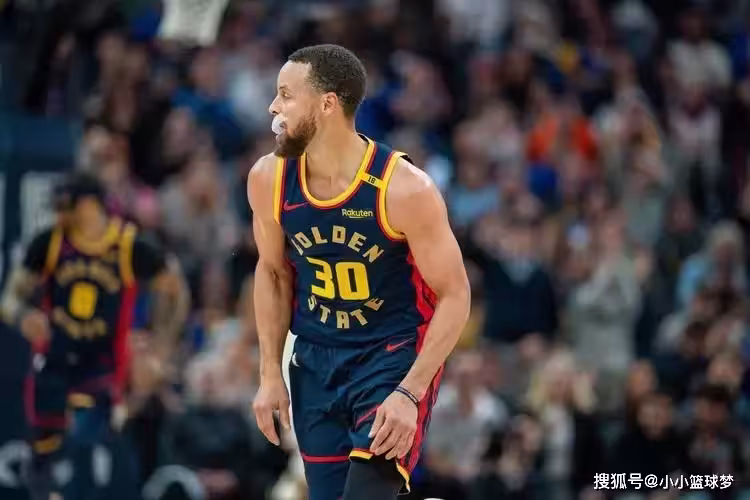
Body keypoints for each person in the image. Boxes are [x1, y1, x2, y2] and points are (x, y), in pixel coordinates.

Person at [248, 44, 471, 500]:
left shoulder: (403, 189)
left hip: (389, 357)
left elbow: (456, 295)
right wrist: (270, 373)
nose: (273, 107)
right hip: (314, 359)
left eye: (286, 95)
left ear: (327, 104)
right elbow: (272, 273)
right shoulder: (269, 178)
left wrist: (410, 392)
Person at [0, 172, 189, 499]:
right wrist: (21, 315)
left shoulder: (128, 245)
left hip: (102, 363)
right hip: (54, 358)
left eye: (65, 206)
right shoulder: (50, 241)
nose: (58, 214)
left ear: (89, 205)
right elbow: (10, 298)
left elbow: (175, 290)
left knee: (85, 442)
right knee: (43, 454)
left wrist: (160, 348)